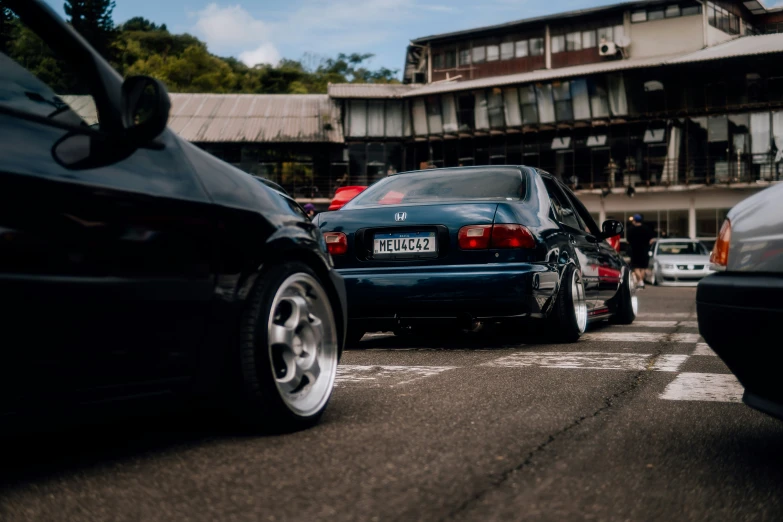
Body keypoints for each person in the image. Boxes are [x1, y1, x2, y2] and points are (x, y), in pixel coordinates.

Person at [627, 214, 655, 288]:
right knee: (643, 267)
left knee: (635, 267)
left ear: (635, 221)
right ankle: (641, 282)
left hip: (635, 251)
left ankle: (640, 281)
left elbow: (628, 241)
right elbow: (652, 240)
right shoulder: (646, 229)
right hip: (644, 251)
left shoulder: (631, 229)